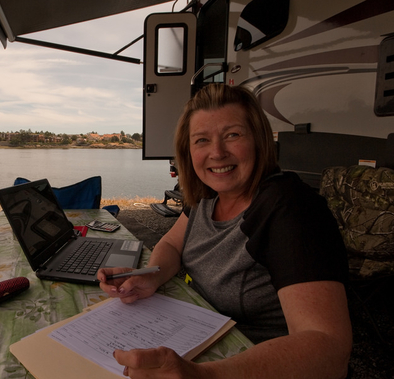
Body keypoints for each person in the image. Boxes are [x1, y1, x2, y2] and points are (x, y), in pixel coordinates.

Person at [98, 84, 352, 379]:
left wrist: (205, 376)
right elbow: (171, 244)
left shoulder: (290, 208)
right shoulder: (208, 195)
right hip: (199, 339)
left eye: (233, 135)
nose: (216, 153)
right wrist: (151, 276)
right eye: (202, 140)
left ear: (258, 140)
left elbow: (330, 350)